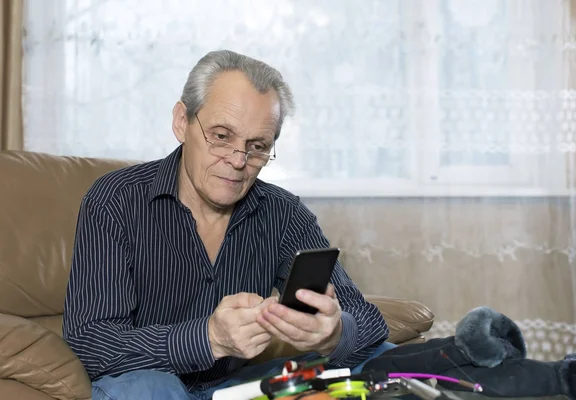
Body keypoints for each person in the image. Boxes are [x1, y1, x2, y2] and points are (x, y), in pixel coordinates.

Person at [63, 49, 393, 400]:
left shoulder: (284, 213)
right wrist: (209, 338)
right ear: (181, 122)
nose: (238, 161)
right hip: (145, 383)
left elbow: (368, 320)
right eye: (221, 136)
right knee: (152, 387)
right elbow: (91, 342)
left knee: (383, 359)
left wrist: (333, 333)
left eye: (257, 146)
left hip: (236, 388)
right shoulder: (115, 200)